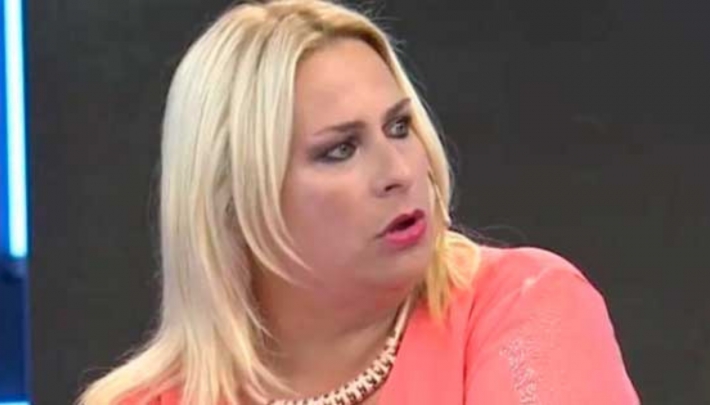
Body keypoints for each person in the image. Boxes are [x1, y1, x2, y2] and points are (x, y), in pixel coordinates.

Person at [79, 0, 640, 404]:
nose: (400, 171)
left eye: (399, 126)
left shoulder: (519, 303)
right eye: (340, 149)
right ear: (234, 201)